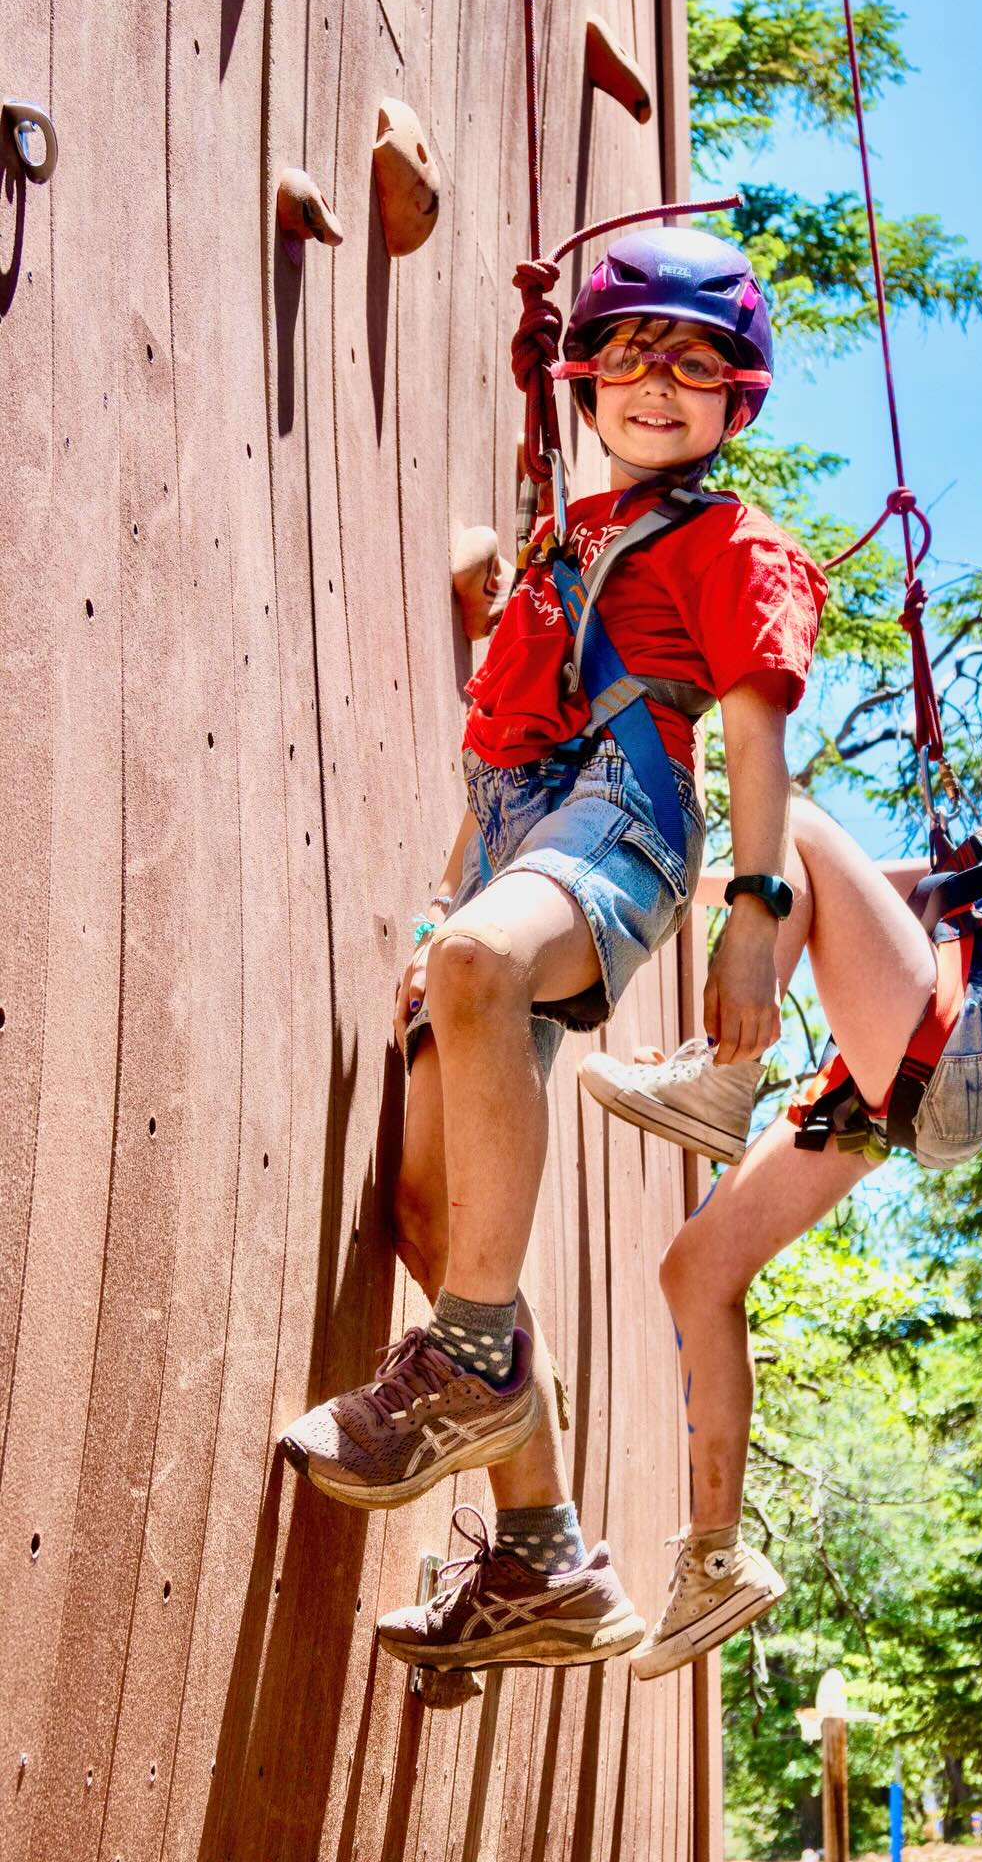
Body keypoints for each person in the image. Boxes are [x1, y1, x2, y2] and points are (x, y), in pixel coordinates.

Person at [276, 228, 829, 1674]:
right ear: (584, 381)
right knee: (428, 1209)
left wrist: (756, 916)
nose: (657, 385)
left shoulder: (735, 548)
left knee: (480, 975)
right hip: (510, 843)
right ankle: (545, 1558)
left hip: (625, 814)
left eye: (692, 364)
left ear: (736, 398)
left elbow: (754, 737)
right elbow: (497, 751)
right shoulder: (560, 544)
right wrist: (445, 910)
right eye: (629, 357)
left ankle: (465, 1361)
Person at [584, 596, 982, 1678]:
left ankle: (722, 1081)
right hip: (907, 1078)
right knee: (697, 1270)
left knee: (788, 814)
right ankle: (715, 1560)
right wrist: (698, 886)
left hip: (962, 1050)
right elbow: (901, 894)